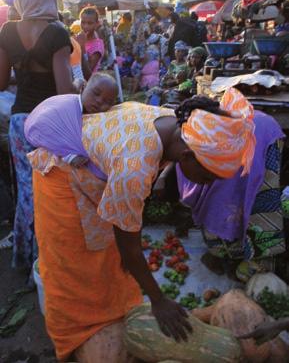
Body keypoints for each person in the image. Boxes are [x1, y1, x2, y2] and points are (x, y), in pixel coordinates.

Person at [25, 87, 256, 362]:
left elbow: (125, 237)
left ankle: (116, 311)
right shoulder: (134, 169)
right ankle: (79, 330)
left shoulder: (179, 122)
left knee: (103, 250)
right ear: (185, 156)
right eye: (208, 176)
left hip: (96, 171)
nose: (210, 183)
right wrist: (159, 301)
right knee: (73, 260)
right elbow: (130, 251)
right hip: (61, 177)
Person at [0, 0, 75, 272]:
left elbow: (2, 81)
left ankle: (24, 257)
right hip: (48, 121)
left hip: (19, 120)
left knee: (26, 190)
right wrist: (81, 86)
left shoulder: (6, 31)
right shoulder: (56, 32)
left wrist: (26, 73)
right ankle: (50, 261)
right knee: (53, 189)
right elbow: (64, 92)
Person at [176, 92, 285, 280]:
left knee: (257, 201)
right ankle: (229, 251)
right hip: (235, 144)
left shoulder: (209, 149)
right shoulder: (190, 144)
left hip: (261, 139)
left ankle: (260, 258)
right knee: (218, 199)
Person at [25, 73, 118, 171]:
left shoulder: (103, 120)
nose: (99, 101)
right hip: (51, 171)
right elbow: (38, 127)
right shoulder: (66, 109)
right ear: (83, 87)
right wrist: (68, 155)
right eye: (96, 93)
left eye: (107, 102)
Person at [77, 7, 105, 75]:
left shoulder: (97, 46)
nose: (85, 26)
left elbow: (88, 70)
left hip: (88, 83)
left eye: (90, 23)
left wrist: (82, 47)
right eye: (83, 22)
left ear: (96, 24)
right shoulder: (80, 37)